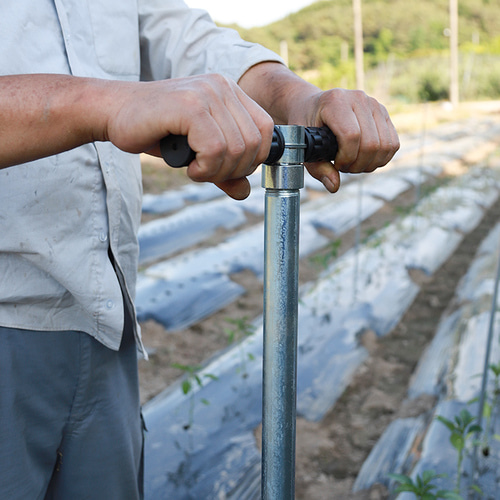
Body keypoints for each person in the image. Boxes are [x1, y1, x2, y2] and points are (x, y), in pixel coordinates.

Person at [0, 1, 399, 499]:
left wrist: (298, 99)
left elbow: (181, 37)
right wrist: (104, 104)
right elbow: (120, 93)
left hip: (104, 321)